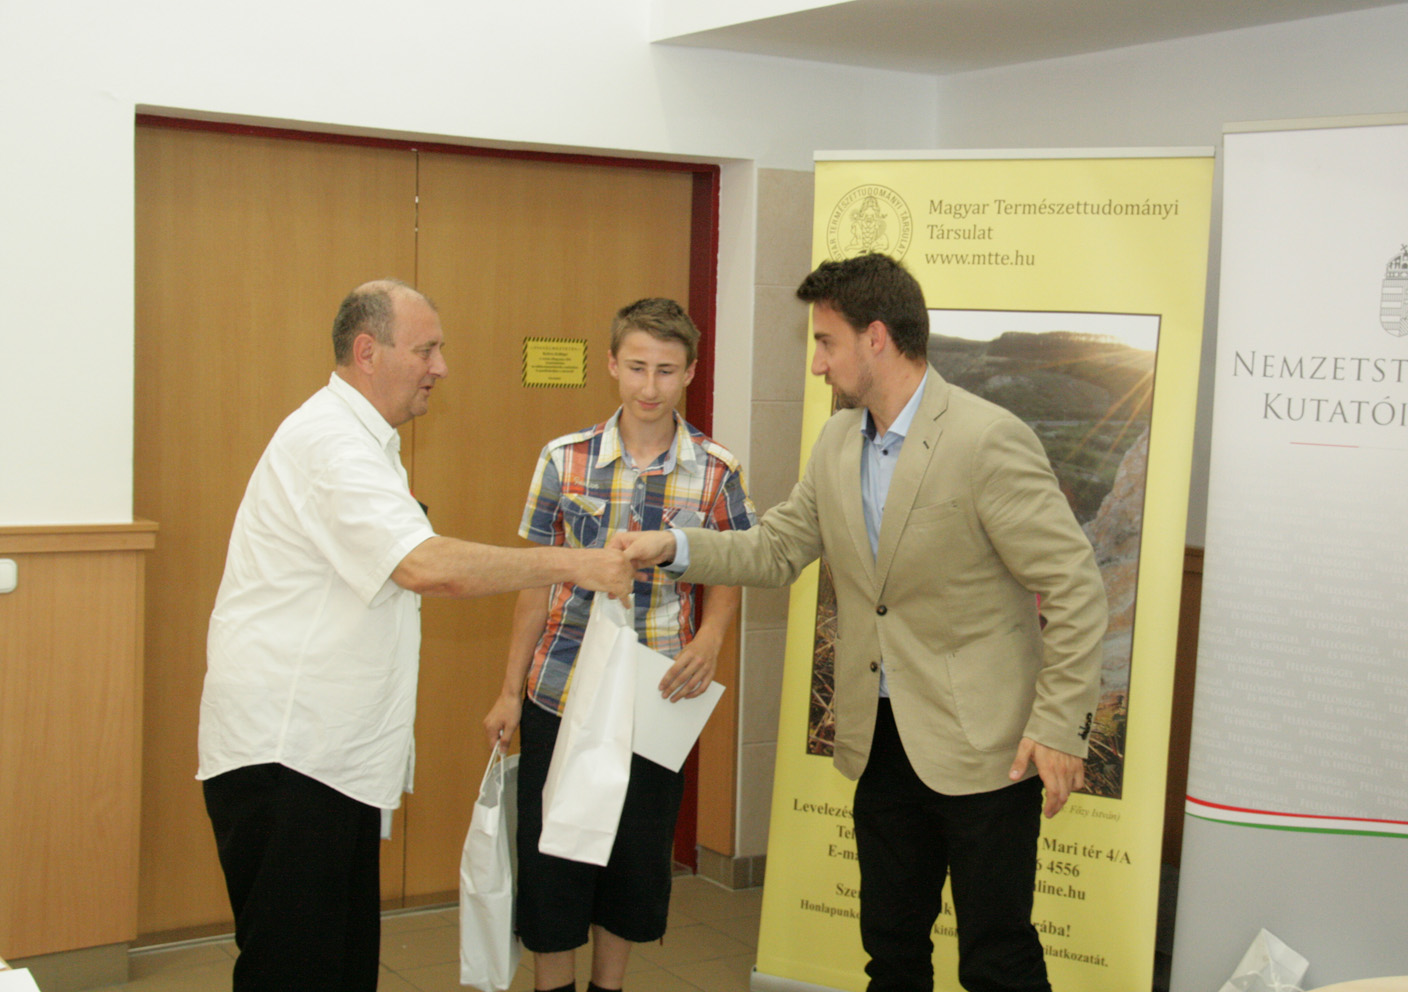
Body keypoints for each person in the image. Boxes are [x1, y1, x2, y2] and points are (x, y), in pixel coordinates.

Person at [614, 254, 1107, 992]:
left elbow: (1074, 585)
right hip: (880, 742)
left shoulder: (985, 439)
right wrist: (674, 547)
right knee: (892, 952)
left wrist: (1061, 725)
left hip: (985, 749)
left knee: (998, 959)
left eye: (826, 342)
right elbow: (776, 549)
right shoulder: (838, 442)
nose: (818, 363)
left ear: (876, 338)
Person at [197, 280, 634, 992]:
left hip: (325, 761)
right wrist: (575, 564)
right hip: (289, 757)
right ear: (368, 352)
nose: (441, 367)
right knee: (295, 969)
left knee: (338, 969)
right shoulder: (331, 444)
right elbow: (426, 567)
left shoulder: (368, 443)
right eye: (426, 350)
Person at [482, 297, 756, 992]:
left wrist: (712, 637)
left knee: (633, 866)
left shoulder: (717, 470)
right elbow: (533, 583)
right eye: (636, 367)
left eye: (665, 370)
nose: (649, 386)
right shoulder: (563, 459)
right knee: (554, 863)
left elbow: (734, 566)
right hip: (559, 690)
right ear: (611, 364)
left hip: (657, 697)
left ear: (689, 372)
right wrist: (509, 692)